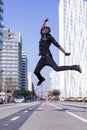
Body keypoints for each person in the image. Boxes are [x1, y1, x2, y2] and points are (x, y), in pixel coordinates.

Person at [34, 18, 82, 86]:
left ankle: (75, 67)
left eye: (46, 29)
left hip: (48, 57)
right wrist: (44, 21)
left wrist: (64, 52)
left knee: (57, 69)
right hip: (42, 59)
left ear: (48, 31)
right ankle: (41, 79)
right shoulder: (42, 35)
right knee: (36, 71)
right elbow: (42, 27)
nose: (43, 30)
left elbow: (57, 45)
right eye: (43, 29)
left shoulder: (50, 37)